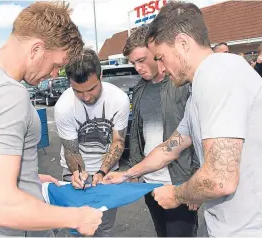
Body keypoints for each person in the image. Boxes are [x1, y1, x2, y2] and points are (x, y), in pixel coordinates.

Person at [103, 1, 262, 237]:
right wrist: (127, 175)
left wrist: (176, 195)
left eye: (162, 57)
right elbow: (169, 148)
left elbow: (221, 179)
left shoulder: (218, 74)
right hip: (230, 226)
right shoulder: (200, 87)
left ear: (183, 43)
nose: (163, 67)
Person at [0, 2, 103, 237]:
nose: (54, 74)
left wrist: (27, 178)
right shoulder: (6, 93)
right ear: (36, 49)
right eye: (56, 65)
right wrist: (77, 216)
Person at [122, 25, 198, 237]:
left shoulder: (181, 85)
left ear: (156, 52)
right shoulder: (139, 89)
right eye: (133, 63)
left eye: (141, 60)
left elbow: (197, 135)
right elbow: (137, 135)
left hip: (179, 182)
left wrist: (194, 183)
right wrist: (136, 170)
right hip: (150, 183)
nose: (137, 67)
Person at [54, 48, 130, 237]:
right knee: (77, 229)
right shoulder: (63, 107)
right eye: (78, 91)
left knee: (103, 228)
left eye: (91, 89)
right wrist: (78, 172)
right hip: (74, 173)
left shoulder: (119, 99)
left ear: (101, 75)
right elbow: (71, 150)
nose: (86, 97)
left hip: (107, 173)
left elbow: (118, 142)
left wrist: (102, 171)